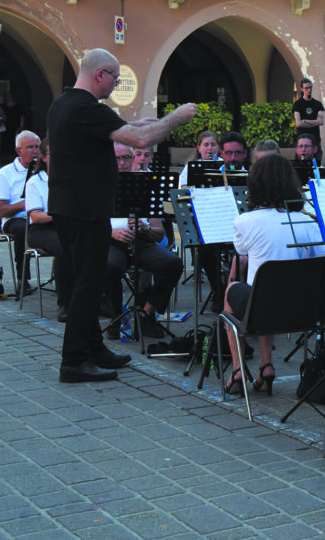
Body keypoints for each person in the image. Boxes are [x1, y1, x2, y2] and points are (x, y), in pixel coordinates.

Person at [48, 47, 196, 383]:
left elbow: (127, 129)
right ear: (100, 75)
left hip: (70, 206)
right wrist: (176, 118)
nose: (115, 85)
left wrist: (145, 122)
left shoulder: (63, 104)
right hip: (85, 210)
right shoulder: (85, 108)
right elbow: (140, 138)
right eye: (114, 78)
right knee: (87, 286)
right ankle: (73, 361)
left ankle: (94, 348)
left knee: (87, 281)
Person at [222, 155, 325, 395]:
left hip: (264, 311)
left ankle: (238, 371)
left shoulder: (245, 221)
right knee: (266, 287)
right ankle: (265, 364)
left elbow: (241, 256)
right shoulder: (307, 222)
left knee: (235, 289)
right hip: (306, 312)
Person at [105, 142, 184, 341]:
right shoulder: (98, 185)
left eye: (126, 158)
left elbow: (158, 234)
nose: (122, 163)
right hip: (111, 240)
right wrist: (112, 232)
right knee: (109, 266)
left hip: (140, 241)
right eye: (116, 158)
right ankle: (116, 317)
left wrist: (145, 227)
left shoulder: (145, 184)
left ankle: (147, 313)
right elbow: (88, 225)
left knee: (172, 263)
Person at [24, 138, 72, 322]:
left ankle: (99, 298)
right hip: (42, 229)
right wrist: (62, 213)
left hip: (67, 226)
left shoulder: (70, 179)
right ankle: (65, 303)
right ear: (43, 157)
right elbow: (35, 216)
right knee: (63, 247)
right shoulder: (35, 182)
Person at [0, 130, 41, 292]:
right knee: (22, 229)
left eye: (37, 147)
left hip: (41, 217)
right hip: (16, 219)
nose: (35, 151)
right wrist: (26, 203)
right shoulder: (5, 173)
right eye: (29, 147)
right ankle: (23, 278)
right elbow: (1, 211)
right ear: (18, 151)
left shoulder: (45, 171)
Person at [292, 78, 325, 162]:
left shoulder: (317, 104)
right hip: (302, 141)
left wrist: (305, 121)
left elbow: (321, 122)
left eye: (310, 87)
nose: (309, 90)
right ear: (302, 89)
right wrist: (315, 122)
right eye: (306, 88)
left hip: (315, 141)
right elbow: (298, 123)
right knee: (301, 167)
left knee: (316, 165)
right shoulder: (297, 104)